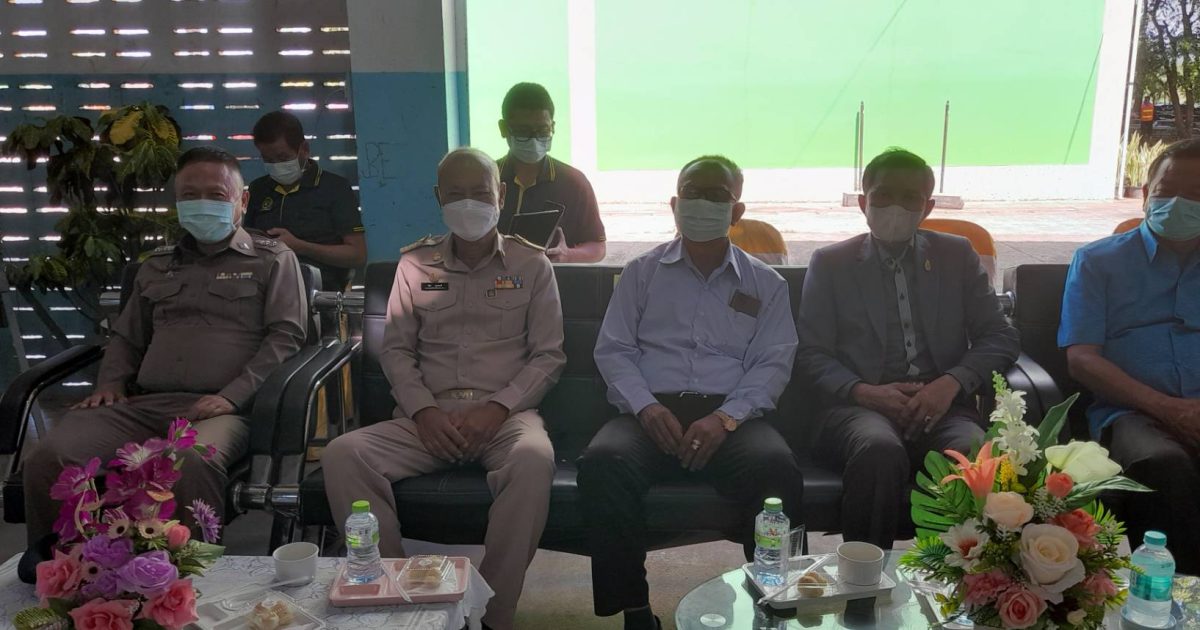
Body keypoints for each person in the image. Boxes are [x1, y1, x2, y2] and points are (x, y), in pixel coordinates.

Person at [320, 148, 565, 630]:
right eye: (456, 193)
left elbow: (548, 356)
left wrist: (497, 408)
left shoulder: (532, 264)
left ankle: (491, 614)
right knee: (343, 454)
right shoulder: (415, 264)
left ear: (500, 195)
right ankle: (398, 602)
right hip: (425, 421)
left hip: (504, 417)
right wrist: (424, 412)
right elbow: (396, 351)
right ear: (438, 198)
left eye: (480, 192)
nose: (469, 203)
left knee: (534, 459)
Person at [23, 146, 308, 544]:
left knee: (188, 458)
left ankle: (194, 569)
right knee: (49, 456)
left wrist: (232, 395)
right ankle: (65, 565)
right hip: (141, 406)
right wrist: (110, 383)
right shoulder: (155, 265)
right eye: (190, 195)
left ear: (242, 201)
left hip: (221, 409)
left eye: (216, 194)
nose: (202, 204)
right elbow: (127, 336)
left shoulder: (272, 260)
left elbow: (286, 337)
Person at [578, 155, 804, 630]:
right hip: (649, 411)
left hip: (731, 418)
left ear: (736, 211)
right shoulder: (641, 273)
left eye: (716, 195)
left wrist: (726, 418)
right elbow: (614, 350)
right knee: (604, 462)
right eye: (692, 192)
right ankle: (635, 612)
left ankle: (778, 605)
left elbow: (772, 363)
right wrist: (645, 406)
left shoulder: (766, 284)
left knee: (776, 468)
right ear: (674, 204)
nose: (701, 202)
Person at [796, 148, 1019, 550]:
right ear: (863, 202)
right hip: (858, 408)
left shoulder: (956, 255)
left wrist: (950, 384)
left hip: (943, 406)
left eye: (909, 198)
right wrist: (864, 392)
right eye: (883, 195)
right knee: (878, 450)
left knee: (971, 454)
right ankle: (864, 576)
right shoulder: (831, 263)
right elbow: (810, 352)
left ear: (927, 207)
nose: (894, 207)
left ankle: (961, 577)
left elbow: (999, 335)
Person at [1059, 138, 1200, 574]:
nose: (1178, 205)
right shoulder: (1098, 262)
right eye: (1166, 192)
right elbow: (1082, 358)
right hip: (1132, 413)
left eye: (1195, 195)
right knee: (1162, 464)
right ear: (1145, 194)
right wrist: (1169, 408)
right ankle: (1174, 593)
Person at [247, 111, 366, 291]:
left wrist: (302, 247)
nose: (277, 165)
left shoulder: (334, 188)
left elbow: (357, 254)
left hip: (321, 294)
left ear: (304, 149)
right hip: (266, 291)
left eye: (283, 158)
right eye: (268, 160)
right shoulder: (258, 189)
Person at [496, 82, 606, 263]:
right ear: (503, 128)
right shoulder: (485, 180)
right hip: (495, 279)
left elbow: (597, 246)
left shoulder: (574, 183)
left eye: (542, 130)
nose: (534, 139)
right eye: (523, 131)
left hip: (554, 279)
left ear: (553, 127)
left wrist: (568, 255)